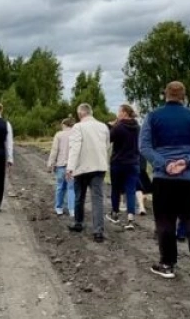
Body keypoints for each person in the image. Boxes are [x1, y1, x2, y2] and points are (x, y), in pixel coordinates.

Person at [139, 81, 190, 278]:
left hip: (163, 178)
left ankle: (167, 264)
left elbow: (144, 146)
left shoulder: (153, 117)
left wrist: (164, 164)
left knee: (165, 220)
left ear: (166, 95)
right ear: (184, 96)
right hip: (188, 178)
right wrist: (187, 161)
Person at [66, 103, 111, 242]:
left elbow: (75, 148)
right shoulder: (103, 126)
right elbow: (107, 146)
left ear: (80, 114)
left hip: (82, 167)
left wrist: (70, 167)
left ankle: (78, 223)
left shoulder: (78, 127)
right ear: (90, 112)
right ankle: (98, 231)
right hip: (99, 166)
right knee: (97, 199)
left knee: (79, 197)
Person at [108, 104, 142, 230]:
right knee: (130, 191)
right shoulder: (138, 127)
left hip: (118, 162)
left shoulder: (119, 127)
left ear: (124, 113)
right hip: (133, 163)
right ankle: (130, 218)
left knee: (116, 189)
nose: (117, 113)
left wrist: (111, 125)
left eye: (119, 111)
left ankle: (115, 214)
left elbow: (109, 138)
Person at [47, 118, 76, 216]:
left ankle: (59, 208)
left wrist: (50, 163)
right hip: (72, 166)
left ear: (64, 124)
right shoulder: (76, 134)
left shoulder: (59, 135)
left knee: (60, 187)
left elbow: (54, 150)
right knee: (71, 188)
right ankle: (72, 209)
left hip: (60, 165)